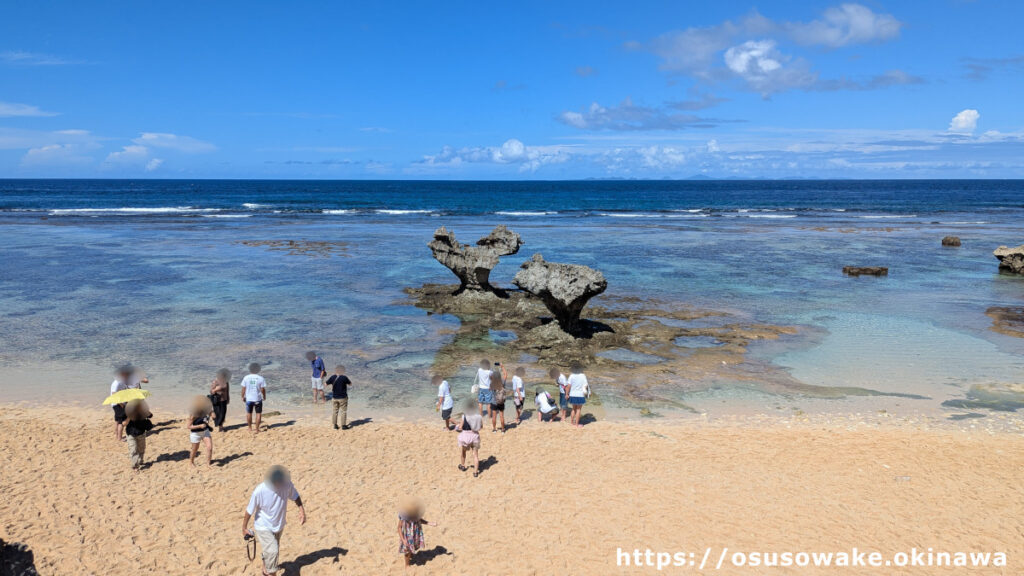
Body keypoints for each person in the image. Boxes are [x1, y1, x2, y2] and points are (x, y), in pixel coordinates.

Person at [243, 466, 307, 576]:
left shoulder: (287, 485)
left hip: (279, 525)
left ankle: (265, 568)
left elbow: (295, 496)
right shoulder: (260, 490)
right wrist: (244, 528)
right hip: (262, 526)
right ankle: (270, 572)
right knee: (273, 551)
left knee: (271, 551)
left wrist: (301, 510)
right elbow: (249, 510)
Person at [109, 364, 148, 442]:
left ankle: (117, 435)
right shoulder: (117, 383)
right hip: (118, 404)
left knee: (117, 420)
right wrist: (122, 404)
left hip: (119, 403)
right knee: (121, 422)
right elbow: (114, 394)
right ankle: (119, 438)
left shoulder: (123, 381)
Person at [398, 498, 440, 568]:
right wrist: (403, 539)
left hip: (415, 534)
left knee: (412, 547)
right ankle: (407, 565)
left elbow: (419, 520)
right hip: (407, 536)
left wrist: (429, 523)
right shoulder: (403, 515)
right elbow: (399, 527)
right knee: (407, 551)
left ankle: (410, 554)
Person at [456, 402, 484, 477]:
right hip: (475, 436)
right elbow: (481, 427)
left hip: (465, 437)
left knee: (463, 452)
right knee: (475, 455)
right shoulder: (478, 416)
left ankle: (463, 465)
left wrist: (457, 427)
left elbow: (460, 428)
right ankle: (475, 472)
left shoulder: (464, 416)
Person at [124, 400, 153, 471]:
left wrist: (145, 410)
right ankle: (135, 466)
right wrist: (129, 417)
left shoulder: (142, 410)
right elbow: (124, 423)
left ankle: (140, 461)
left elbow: (150, 415)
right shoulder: (126, 410)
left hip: (141, 432)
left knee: (141, 448)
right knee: (133, 449)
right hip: (131, 433)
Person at [240, 363, 267, 435]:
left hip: (249, 399)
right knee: (258, 414)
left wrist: (242, 396)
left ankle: (249, 428)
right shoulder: (261, 378)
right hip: (257, 399)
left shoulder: (246, 378)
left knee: (249, 413)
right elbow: (262, 389)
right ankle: (257, 429)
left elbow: (243, 389)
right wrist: (264, 396)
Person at [187, 396, 214, 467]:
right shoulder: (194, 414)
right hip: (195, 434)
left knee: (209, 447)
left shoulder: (207, 410)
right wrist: (199, 426)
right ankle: (191, 462)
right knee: (194, 449)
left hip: (205, 432)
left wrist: (213, 415)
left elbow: (213, 415)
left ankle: (208, 463)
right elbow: (189, 426)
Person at [325, 365, 352, 430]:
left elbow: (326, 384)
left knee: (335, 411)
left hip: (334, 397)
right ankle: (343, 425)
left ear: (336, 370)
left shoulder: (332, 377)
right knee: (343, 411)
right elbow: (350, 384)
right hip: (343, 397)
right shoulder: (344, 377)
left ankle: (335, 425)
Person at [567, 363, 590, 428]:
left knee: (573, 409)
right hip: (580, 395)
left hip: (572, 394)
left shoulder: (571, 375)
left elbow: (568, 386)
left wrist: (566, 394)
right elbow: (585, 385)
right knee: (578, 409)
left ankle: (571, 423)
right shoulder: (583, 376)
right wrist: (587, 393)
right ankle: (576, 424)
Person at [209, 368, 231, 432]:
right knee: (218, 413)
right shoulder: (215, 381)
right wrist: (216, 390)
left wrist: (228, 398)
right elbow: (211, 391)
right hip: (217, 400)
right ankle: (220, 427)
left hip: (224, 399)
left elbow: (227, 390)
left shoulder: (226, 381)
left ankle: (221, 426)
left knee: (223, 413)